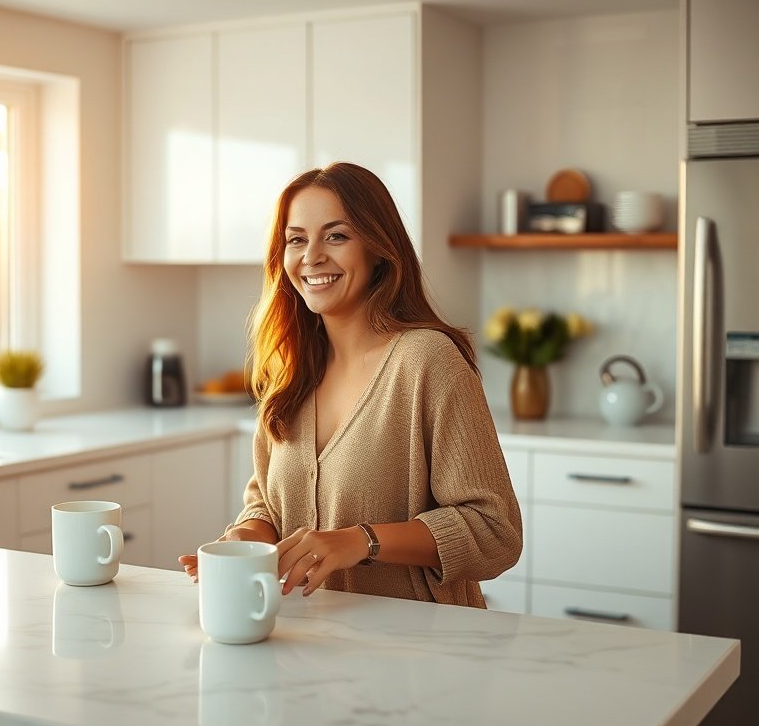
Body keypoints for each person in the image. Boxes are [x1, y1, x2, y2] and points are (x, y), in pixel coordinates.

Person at [178, 162, 522, 606]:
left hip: (420, 655)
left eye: (337, 236)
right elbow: (266, 499)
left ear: (379, 248)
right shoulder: (290, 369)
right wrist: (248, 537)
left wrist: (360, 542)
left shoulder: (426, 360)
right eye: (297, 239)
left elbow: (495, 533)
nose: (312, 256)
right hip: (311, 648)